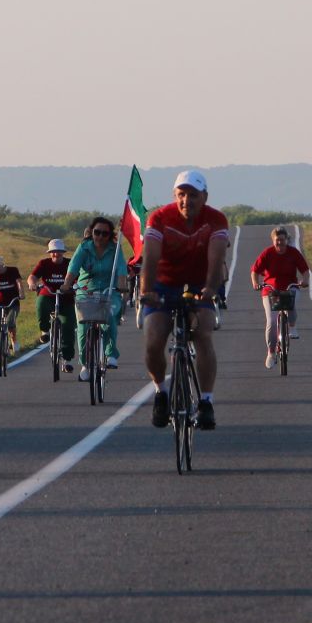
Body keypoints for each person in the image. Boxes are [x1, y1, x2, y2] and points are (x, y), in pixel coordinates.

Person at [139, 170, 230, 430]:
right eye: (181, 195)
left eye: (192, 196)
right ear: (174, 196)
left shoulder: (216, 219)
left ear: (204, 197)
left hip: (201, 283)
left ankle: (206, 401)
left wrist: (211, 289)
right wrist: (147, 291)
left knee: (203, 332)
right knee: (154, 338)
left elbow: (215, 259)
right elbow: (151, 258)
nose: (186, 201)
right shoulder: (159, 218)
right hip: (164, 283)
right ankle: (161, 392)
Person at [64, 216, 127, 380]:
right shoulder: (84, 247)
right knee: (83, 327)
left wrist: (122, 285)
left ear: (109, 235)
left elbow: (121, 268)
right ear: (91, 232)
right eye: (96, 232)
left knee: (110, 316)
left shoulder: (115, 249)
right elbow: (74, 266)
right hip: (86, 291)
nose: (100, 236)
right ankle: (85, 364)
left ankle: (111, 354)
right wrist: (66, 284)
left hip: (109, 290)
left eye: (104, 234)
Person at [249, 225, 311, 367]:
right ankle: (271, 352)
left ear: (286, 240)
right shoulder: (267, 253)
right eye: (277, 240)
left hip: (290, 287)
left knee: (292, 304)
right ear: (273, 240)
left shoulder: (293, 253)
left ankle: (292, 326)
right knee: (271, 321)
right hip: (271, 290)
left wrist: (305, 281)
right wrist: (255, 283)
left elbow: (305, 270)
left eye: (282, 240)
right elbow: (255, 271)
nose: (279, 243)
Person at [28, 239, 75, 362]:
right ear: (49, 253)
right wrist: (32, 284)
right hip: (48, 294)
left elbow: (78, 277)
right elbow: (32, 277)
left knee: (69, 326)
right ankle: (45, 330)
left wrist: (76, 286)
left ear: (63, 252)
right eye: (53, 252)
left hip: (67, 298)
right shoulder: (44, 263)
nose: (56, 254)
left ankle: (67, 359)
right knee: (41, 304)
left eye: (58, 252)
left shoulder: (70, 264)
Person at [0, 255, 25, 357]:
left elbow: (19, 283)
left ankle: (14, 342)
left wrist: (21, 293)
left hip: (13, 302)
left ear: (3, 265)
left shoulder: (13, 271)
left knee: (10, 322)